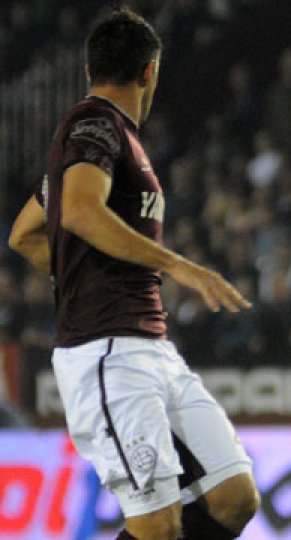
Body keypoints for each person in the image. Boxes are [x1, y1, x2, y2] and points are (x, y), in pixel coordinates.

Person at [7, 9, 259, 540]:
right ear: (151, 71)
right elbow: (77, 210)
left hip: (153, 348)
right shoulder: (93, 123)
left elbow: (27, 232)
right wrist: (177, 264)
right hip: (107, 351)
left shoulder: (108, 139)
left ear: (86, 67)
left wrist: (80, 273)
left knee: (234, 497)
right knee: (157, 527)